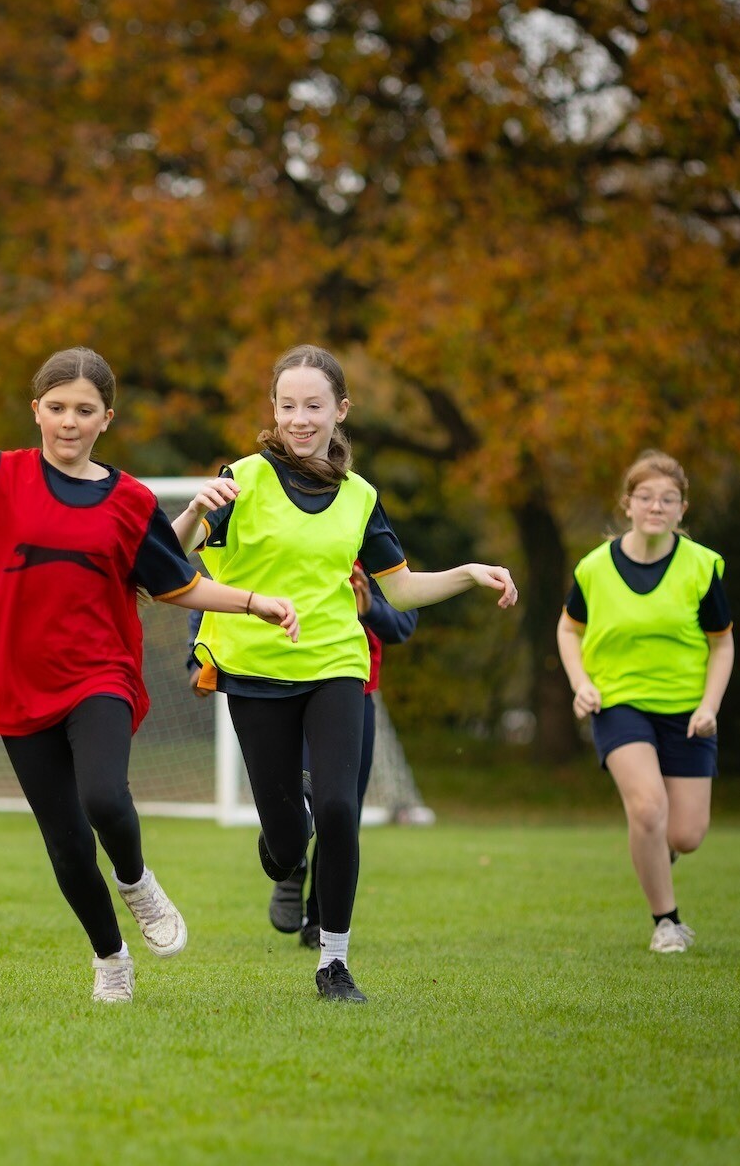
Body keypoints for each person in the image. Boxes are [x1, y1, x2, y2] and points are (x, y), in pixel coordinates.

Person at [0, 336, 301, 1004]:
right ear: (37, 411)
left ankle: (137, 881)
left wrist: (254, 602)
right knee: (68, 843)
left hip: (98, 675)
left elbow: (177, 586)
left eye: (85, 409)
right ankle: (110, 959)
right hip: (13, 682)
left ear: (106, 418)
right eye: (58, 407)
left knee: (104, 798)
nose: (70, 421)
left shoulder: (131, 502)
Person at [171, 345, 516, 1002]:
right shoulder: (239, 478)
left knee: (337, 807)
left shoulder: (360, 498)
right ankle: (282, 847)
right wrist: (193, 510)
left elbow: (404, 590)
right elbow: (167, 561)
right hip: (252, 668)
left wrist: (470, 573)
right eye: (288, 405)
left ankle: (334, 963)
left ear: (341, 411)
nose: (301, 419)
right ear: (274, 410)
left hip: (335, 662)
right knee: (283, 840)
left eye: (314, 405)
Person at [556, 450, 732, 954]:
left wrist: (709, 705)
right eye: (646, 497)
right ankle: (667, 922)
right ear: (627, 504)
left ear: (682, 509)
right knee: (649, 808)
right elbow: (569, 629)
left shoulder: (702, 567)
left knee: (687, 834)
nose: (657, 507)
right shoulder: (594, 568)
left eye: (668, 499)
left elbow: (722, 642)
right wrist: (580, 684)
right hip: (618, 703)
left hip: (687, 709)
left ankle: (660, 854)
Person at [188, 564, 416, 945]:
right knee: (303, 794)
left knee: (341, 811)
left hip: (348, 693)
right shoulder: (273, 533)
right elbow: (218, 583)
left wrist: (369, 609)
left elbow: (403, 624)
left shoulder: (368, 541)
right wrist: (199, 658)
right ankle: (292, 856)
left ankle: (321, 923)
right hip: (275, 686)